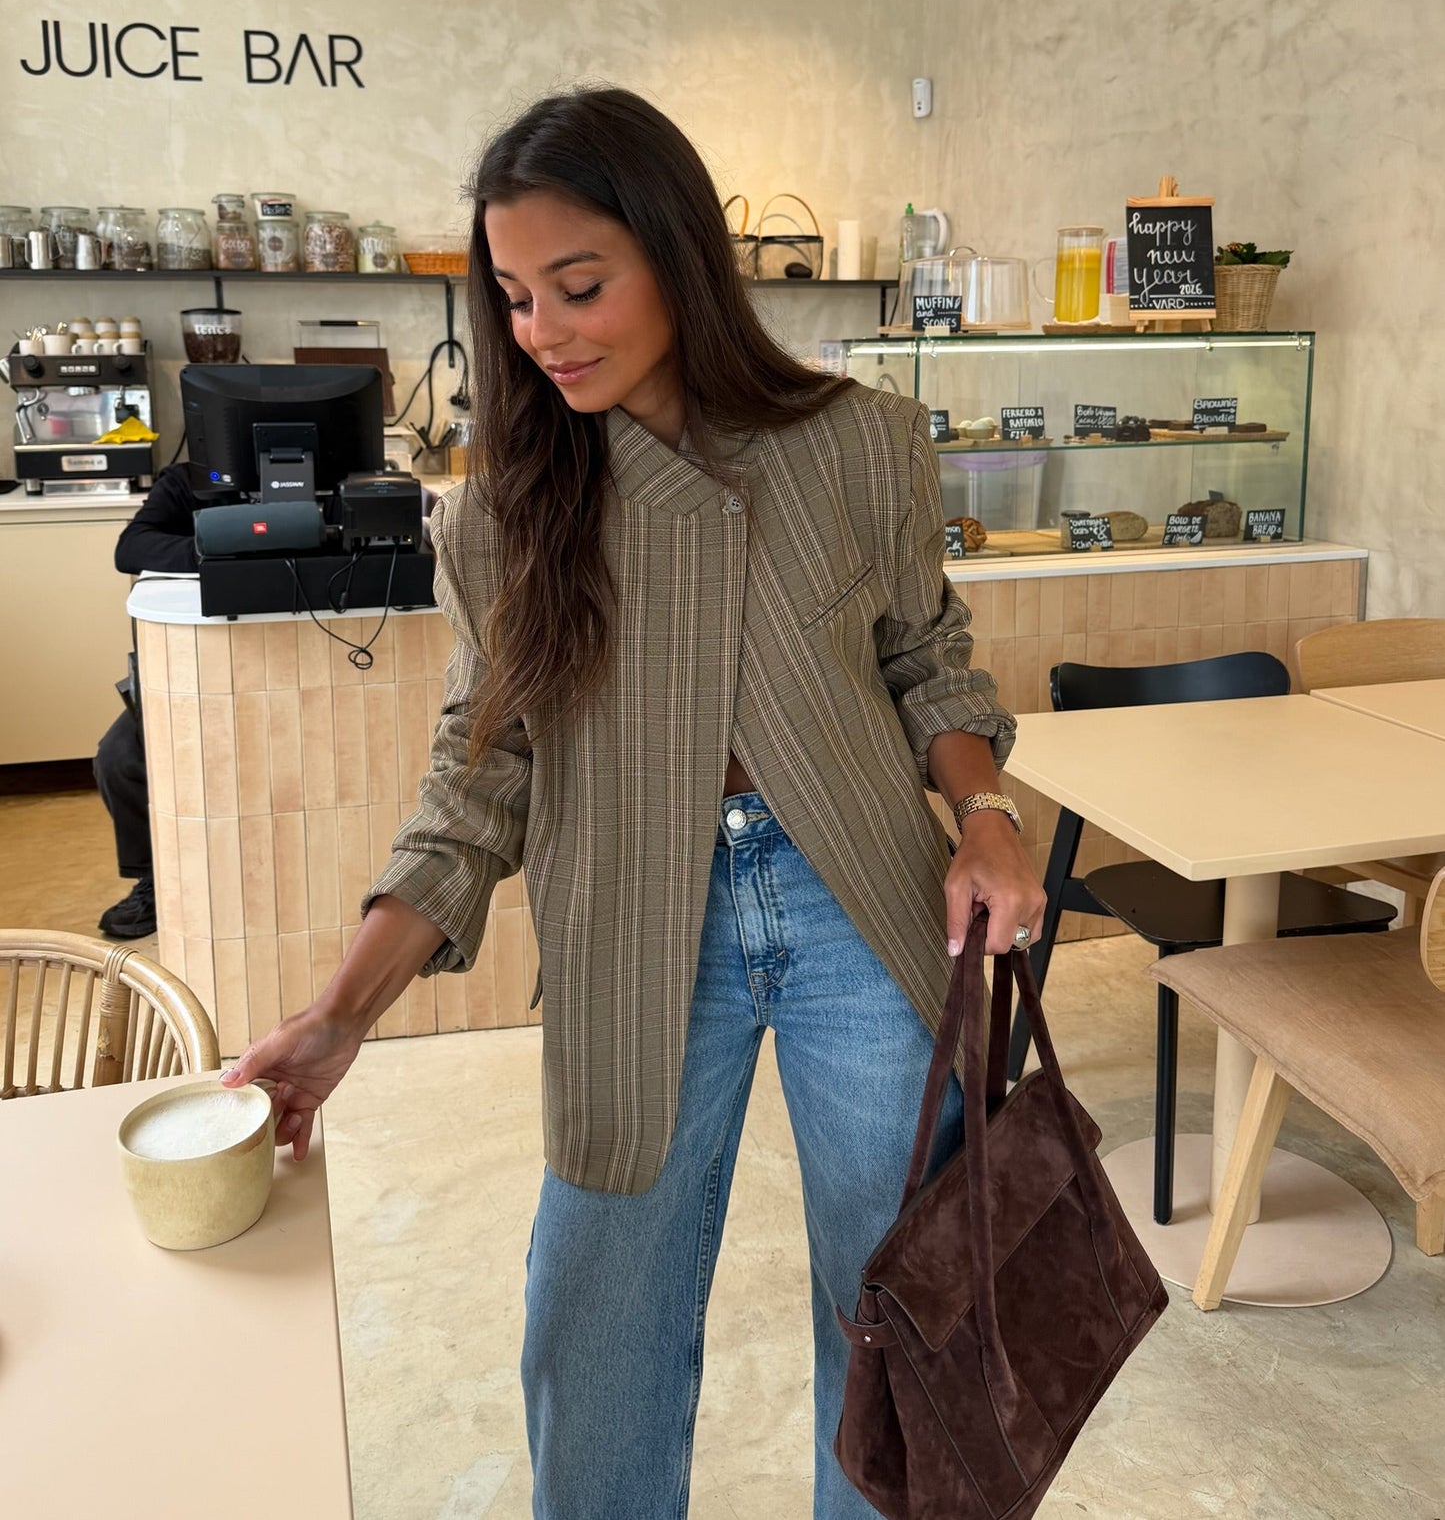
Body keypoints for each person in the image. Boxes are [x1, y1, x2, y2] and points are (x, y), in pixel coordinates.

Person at [225, 88, 1045, 1519]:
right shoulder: (507, 517)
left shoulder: (858, 444)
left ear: (676, 255)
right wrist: (342, 1011)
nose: (543, 329)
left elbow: (928, 660)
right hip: (635, 918)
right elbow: (477, 778)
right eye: (514, 297)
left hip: (860, 894)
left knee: (898, 1300)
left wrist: (987, 817)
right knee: (594, 1314)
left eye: (579, 284)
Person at [95, 460, 207, 940]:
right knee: (118, 757)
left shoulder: (338, 472)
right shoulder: (189, 481)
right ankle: (155, 879)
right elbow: (131, 548)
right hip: (191, 667)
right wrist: (221, 546)